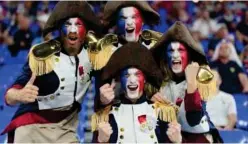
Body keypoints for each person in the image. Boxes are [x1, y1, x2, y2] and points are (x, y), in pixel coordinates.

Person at [1, 1, 102, 143]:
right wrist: (19, 94)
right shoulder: (43, 55)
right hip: (32, 128)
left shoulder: (95, 55)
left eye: (78, 24)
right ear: (60, 29)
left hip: (66, 129)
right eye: (67, 25)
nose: (72, 30)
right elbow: (9, 95)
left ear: (86, 29)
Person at [91, 42, 181, 143]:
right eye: (126, 75)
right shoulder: (106, 115)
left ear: (145, 79)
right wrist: (100, 141)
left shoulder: (163, 112)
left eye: (137, 74)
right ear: (120, 80)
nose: (132, 80)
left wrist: (177, 142)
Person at [151, 21, 223, 143]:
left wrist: (191, 84)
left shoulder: (203, 75)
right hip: (170, 137)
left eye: (180, 50)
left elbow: (193, 119)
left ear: (189, 55)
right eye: (171, 50)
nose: (175, 55)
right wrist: (152, 103)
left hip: (199, 138)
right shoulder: (159, 80)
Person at [94, 1, 162, 112]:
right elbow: (100, 96)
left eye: (134, 17)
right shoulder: (105, 51)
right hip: (117, 116)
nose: (129, 23)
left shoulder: (155, 47)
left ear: (143, 21)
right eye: (123, 18)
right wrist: (102, 101)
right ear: (116, 22)